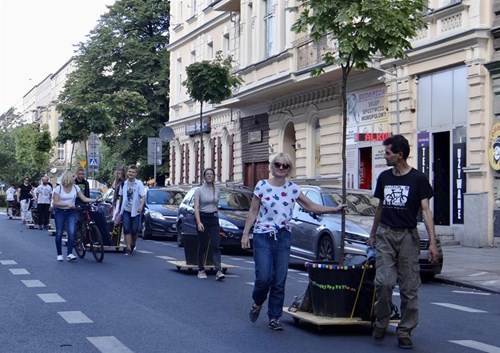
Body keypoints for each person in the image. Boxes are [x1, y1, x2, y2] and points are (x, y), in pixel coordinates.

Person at [241, 152, 346, 331]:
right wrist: (245, 234)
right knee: (264, 278)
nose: (281, 168)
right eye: (278, 164)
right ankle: (257, 302)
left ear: (289, 169)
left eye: (285, 166)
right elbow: (253, 211)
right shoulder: (262, 186)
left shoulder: (293, 189)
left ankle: (274, 317)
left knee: (279, 280)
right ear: (272, 166)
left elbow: (311, 206)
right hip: (263, 235)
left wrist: (334, 209)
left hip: (283, 236)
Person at [368, 134, 439, 349]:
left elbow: (426, 212)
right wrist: (373, 233)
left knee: (410, 288)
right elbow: (380, 208)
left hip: (408, 236)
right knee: (384, 282)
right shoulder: (384, 177)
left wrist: (433, 243)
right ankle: (381, 321)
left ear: (400, 155)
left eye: (388, 153)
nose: (385, 156)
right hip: (386, 235)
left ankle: (405, 331)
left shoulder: (418, 179)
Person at [52, 170, 99, 261]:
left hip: (71, 212)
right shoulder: (59, 188)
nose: (75, 178)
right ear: (68, 178)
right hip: (60, 212)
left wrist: (95, 200)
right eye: (73, 177)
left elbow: (84, 198)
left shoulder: (76, 187)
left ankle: (69, 253)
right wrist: (66, 204)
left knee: (71, 232)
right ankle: (59, 254)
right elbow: (55, 203)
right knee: (59, 233)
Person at [193, 168, 224, 281]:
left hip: (213, 218)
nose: (209, 176)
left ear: (214, 176)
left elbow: (216, 205)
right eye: (207, 174)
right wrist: (199, 222)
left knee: (216, 244)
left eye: (211, 174)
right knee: (203, 245)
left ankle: (218, 270)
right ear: (204, 176)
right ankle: (201, 269)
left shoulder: (217, 190)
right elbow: (196, 207)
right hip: (202, 217)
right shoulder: (199, 190)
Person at [116, 164, 145, 256]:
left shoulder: (139, 183)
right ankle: (128, 248)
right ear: (127, 172)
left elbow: (143, 196)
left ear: (136, 174)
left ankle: (132, 243)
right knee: (127, 229)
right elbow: (121, 196)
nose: (131, 173)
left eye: (133, 172)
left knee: (135, 230)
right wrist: (118, 209)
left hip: (136, 210)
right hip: (125, 210)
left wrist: (140, 206)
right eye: (129, 172)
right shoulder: (124, 183)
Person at [111, 167, 126, 245]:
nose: (118, 175)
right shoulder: (116, 182)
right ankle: (116, 236)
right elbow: (113, 188)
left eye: (120, 174)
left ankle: (122, 236)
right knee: (116, 219)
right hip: (117, 202)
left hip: (121, 202)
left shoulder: (124, 183)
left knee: (121, 219)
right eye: (117, 174)